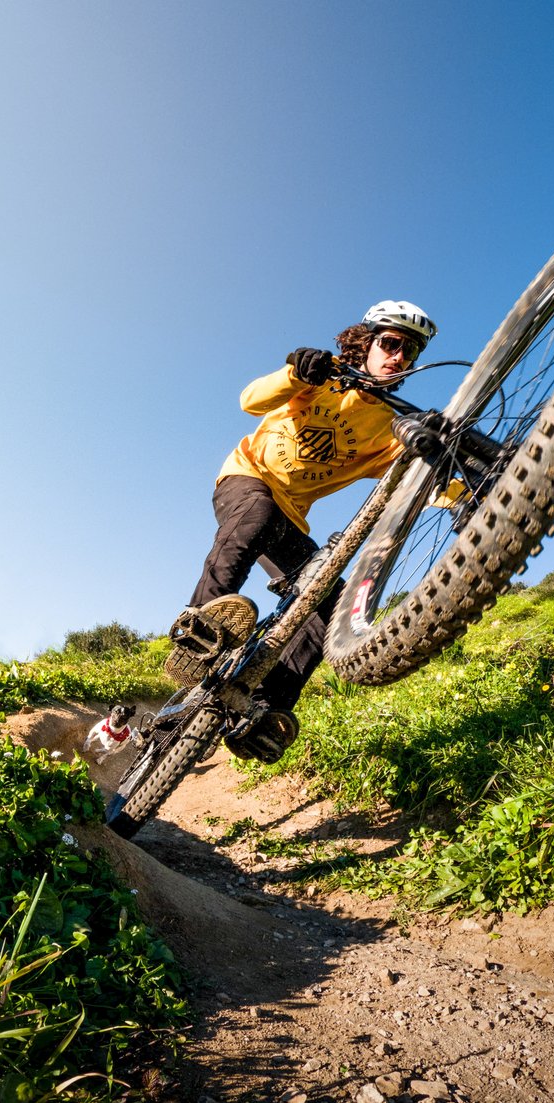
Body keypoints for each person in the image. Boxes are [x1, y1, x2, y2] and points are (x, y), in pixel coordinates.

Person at [165, 300, 438, 763]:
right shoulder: (324, 378)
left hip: (290, 518)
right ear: (366, 343)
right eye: (390, 344)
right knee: (256, 516)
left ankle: (263, 708)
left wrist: (469, 487)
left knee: (328, 608)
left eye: (408, 353)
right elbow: (250, 401)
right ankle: (199, 629)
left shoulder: (389, 428)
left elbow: (424, 484)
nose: (398, 357)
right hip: (246, 480)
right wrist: (296, 373)